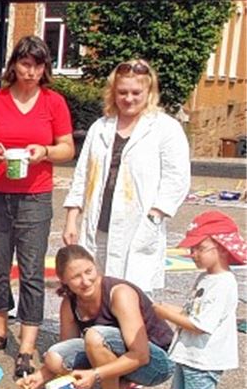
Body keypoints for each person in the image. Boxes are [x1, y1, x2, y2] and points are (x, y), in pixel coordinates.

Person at [0, 36, 74, 378]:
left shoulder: (53, 102)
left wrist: (44, 152)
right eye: (25, 64)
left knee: (31, 271)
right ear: (14, 64)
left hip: (35, 195)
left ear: (45, 69)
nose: (31, 72)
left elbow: (67, 148)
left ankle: (27, 346)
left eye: (38, 65)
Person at [63, 59, 190, 297]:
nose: (128, 98)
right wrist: (72, 218)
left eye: (135, 92)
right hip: (99, 224)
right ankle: (99, 334)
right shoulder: (100, 127)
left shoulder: (165, 129)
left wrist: (155, 215)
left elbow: (177, 179)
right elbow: (82, 174)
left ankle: (133, 335)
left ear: (149, 92)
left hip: (139, 225)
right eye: (122, 92)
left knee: (134, 296)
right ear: (113, 92)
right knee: (97, 291)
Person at [17, 245, 173, 389]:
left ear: (95, 266)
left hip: (156, 363)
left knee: (95, 336)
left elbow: (141, 355)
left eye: (89, 271)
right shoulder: (70, 304)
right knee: (55, 357)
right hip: (123, 358)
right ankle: (124, 388)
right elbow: (69, 352)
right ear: (64, 280)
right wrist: (41, 376)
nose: (85, 281)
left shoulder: (119, 293)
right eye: (76, 277)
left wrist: (95, 374)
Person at [150, 211, 244, 389]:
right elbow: (193, 311)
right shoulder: (206, 278)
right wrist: (170, 309)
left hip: (205, 359)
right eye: (192, 249)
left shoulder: (224, 284)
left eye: (200, 248)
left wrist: (167, 314)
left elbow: (201, 324)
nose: (193, 254)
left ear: (222, 248)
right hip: (189, 354)